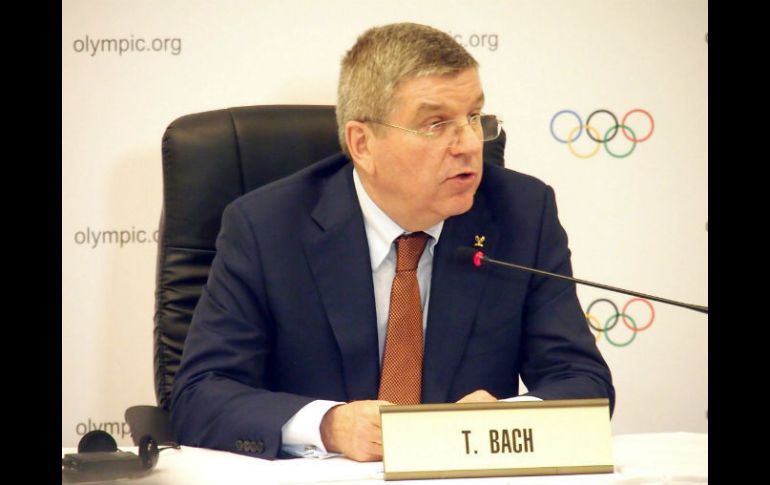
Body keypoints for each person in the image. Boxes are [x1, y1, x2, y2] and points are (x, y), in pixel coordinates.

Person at [170, 22, 614, 463]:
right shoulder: (266, 227)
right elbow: (199, 395)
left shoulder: (522, 213)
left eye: (474, 117)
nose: (468, 144)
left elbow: (582, 381)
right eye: (436, 123)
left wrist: (505, 420)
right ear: (362, 144)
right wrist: (329, 426)